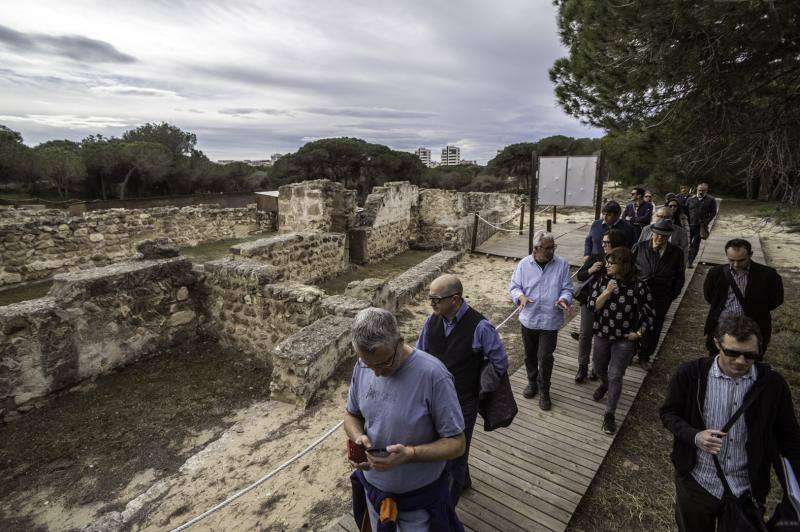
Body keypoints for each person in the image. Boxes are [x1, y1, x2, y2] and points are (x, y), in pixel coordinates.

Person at [660, 315, 800, 531]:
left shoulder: (773, 385)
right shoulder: (691, 375)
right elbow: (669, 413)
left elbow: (789, 439)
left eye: (750, 355)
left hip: (746, 488)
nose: (741, 361)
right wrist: (695, 436)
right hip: (697, 482)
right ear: (717, 344)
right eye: (732, 353)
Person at [345, 307, 466, 531]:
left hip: (419, 505)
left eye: (383, 363)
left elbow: (457, 444)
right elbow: (351, 415)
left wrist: (410, 454)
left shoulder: (434, 376)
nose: (377, 373)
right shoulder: (364, 366)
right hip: (374, 495)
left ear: (400, 342)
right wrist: (358, 437)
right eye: (368, 365)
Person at [417, 274, 509, 505]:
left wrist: (482, 388)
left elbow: (500, 362)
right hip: (435, 401)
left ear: (455, 299)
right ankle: (464, 480)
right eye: (430, 298)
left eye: (436, 299)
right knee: (445, 448)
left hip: (464, 402)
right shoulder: (432, 322)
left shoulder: (481, 327)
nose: (432, 304)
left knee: (455, 455)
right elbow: (420, 355)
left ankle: (448, 510)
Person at [588, 247, 654, 434]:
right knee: (599, 368)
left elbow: (650, 314)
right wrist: (607, 291)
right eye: (607, 262)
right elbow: (593, 307)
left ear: (624, 266)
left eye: (612, 263)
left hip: (624, 339)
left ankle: (609, 414)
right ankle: (604, 384)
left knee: (616, 375)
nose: (607, 265)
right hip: (602, 334)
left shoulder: (639, 286)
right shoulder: (602, 281)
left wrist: (638, 334)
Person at [509, 230, 573, 411]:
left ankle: (544, 390)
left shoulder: (562, 265)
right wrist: (520, 297)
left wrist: (564, 299)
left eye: (553, 247)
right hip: (529, 319)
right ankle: (532, 382)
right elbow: (514, 287)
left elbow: (568, 288)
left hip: (550, 321)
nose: (552, 251)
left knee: (544, 357)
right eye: (548, 248)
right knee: (530, 355)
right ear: (536, 248)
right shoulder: (524, 264)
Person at [703, 238, 784, 355]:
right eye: (731, 260)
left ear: (750, 255)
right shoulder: (716, 273)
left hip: (753, 329)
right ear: (726, 255)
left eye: (741, 260)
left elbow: (776, 299)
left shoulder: (768, 275)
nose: (736, 264)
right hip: (721, 327)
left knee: (749, 362)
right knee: (717, 360)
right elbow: (709, 296)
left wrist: (756, 309)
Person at [573, 228, 628, 383]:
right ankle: (582, 366)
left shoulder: (623, 260)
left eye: (607, 242)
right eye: (602, 242)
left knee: (602, 338)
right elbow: (580, 276)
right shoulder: (596, 257)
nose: (603, 245)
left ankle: (597, 369)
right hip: (590, 303)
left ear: (616, 243)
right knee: (585, 334)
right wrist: (590, 270)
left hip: (611, 307)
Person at [632, 218, 685, 370]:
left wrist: (671, 296)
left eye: (664, 235)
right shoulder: (639, 247)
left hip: (661, 298)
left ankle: (644, 356)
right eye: (657, 234)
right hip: (638, 295)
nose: (660, 238)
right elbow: (629, 269)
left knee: (653, 327)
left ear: (669, 236)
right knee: (634, 323)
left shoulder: (676, 253)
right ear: (652, 232)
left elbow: (680, 277)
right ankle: (630, 352)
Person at [686, 182, 717, 268]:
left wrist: (706, 222)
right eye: (699, 190)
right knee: (686, 243)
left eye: (703, 190)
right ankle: (685, 259)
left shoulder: (711, 200)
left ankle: (690, 261)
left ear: (706, 191)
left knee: (695, 244)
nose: (701, 192)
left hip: (700, 226)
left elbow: (713, 212)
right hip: (689, 225)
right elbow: (685, 211)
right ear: (697, 189)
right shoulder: (690, 199)